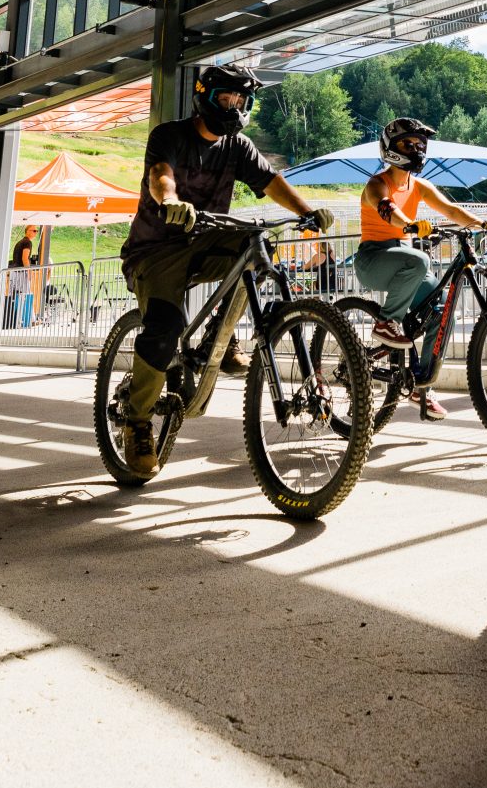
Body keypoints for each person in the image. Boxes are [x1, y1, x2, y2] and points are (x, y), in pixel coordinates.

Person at [112, 61, 336, 478]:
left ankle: (220, 337)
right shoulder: (170, 135)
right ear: (203, 97)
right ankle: (137, 422)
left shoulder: (240, 146)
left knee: (254, 245)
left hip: (204, 241)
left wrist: (307, 213)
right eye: (225, 98)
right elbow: (160, 176)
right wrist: (170, 202)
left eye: (241, 99)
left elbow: (270, 181)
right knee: (164, 329)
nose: (233, 106)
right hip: (156, 250)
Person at [354, 116, 487, 421]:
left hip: (403, 259)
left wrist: (484, 224)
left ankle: (420, 384)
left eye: (421, 144)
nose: (417, 149)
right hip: (373, 259)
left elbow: (450, 209)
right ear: (391, 148)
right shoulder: (376, 183)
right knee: (420, 260)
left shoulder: (418, 185)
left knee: (442, 309)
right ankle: (386, 323)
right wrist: (410, 225)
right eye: (409, 144)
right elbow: (386, 208)